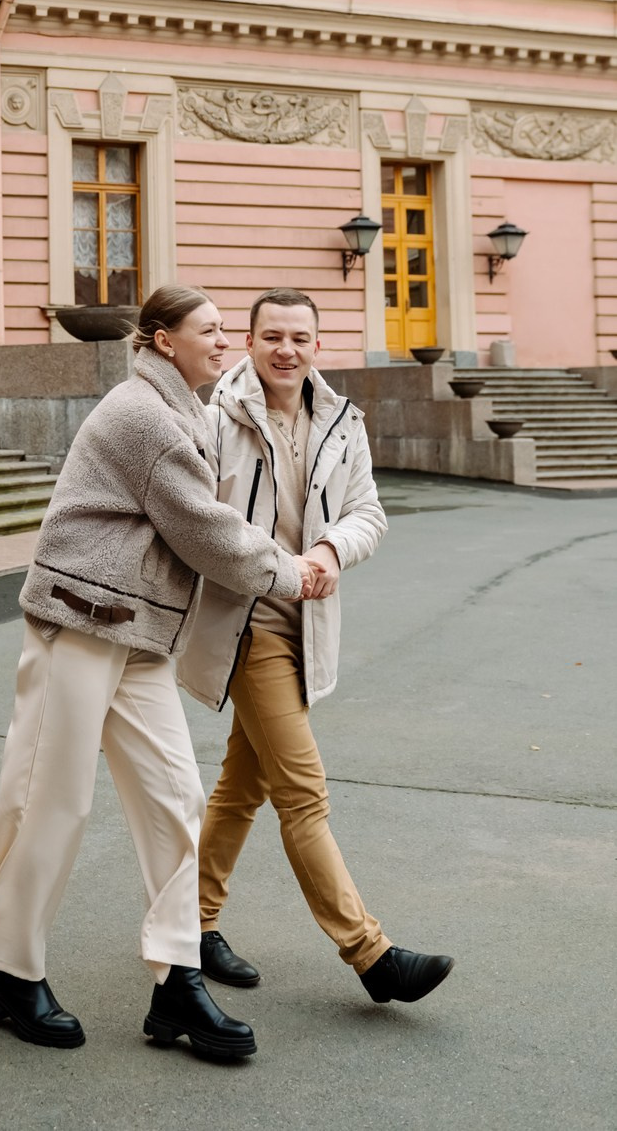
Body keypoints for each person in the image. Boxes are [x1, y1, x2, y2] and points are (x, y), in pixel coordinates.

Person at [0, 286, 320, 1057]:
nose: (224, 343)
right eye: (211, 331)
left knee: (177, 798)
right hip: (82, 621)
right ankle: (12, 973)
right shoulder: (145, 416)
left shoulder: (182, 410)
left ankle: (178, 983)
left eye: (227, 331)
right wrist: (288, 572)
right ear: (163, 340)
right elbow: (204, 529)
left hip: (140, 633)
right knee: (48, 800)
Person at [178, 286, 454, 1006]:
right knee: (303, 793)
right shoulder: (214, 416)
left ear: (317, 345)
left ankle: (192, 925)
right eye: (272, 336)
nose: (285, 350)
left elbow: (368, 511)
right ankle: (371, 954)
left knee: (243, 788)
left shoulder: (341, 421)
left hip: (307, 626)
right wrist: (279, 569)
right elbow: (201, 522)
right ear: (249, 341)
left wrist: (332, 550)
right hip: (246, 627)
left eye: (299, 337)